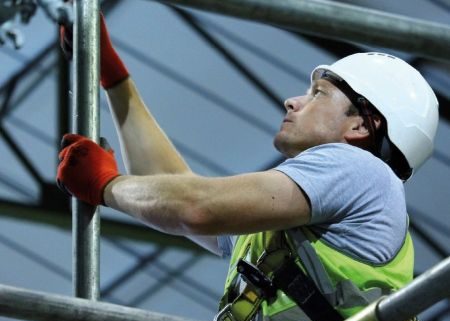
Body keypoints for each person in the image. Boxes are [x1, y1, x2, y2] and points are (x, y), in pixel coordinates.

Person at [57, 15, 439, 321]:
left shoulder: (360, 171)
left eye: (317, 94)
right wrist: (115, 81)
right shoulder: (292, 224)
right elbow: (174, 190)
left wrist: (105, 185)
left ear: (359, 125)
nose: (292, 102)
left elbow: (195, 208)